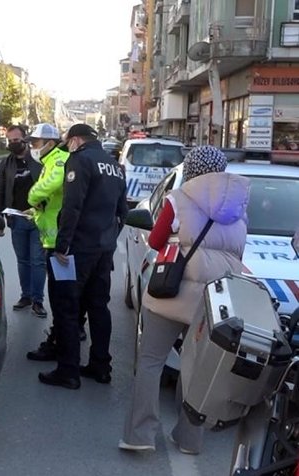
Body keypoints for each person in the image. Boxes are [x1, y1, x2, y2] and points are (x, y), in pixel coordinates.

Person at [121, 146, 249, 455]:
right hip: (214, 301)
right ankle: (189, 439)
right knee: (197, 371)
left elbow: (155, 240)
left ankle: (140, 435)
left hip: (172, 292)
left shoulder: (178, 199)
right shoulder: (239, 208)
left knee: (151, 361)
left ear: (190, 169)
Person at [38, 123, 128, 390]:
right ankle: (101, 367)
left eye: (68, 143)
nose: (68, 148)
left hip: (77, 250)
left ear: (76, 140)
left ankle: (68, 370)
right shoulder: (115, 166)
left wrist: (62, 246)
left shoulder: (80, 160)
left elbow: (72, 206)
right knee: (99, 307)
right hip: (104, 249)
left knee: (66, 307)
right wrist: (109, 239)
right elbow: (122, 211)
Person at [23, 123, 88, 361]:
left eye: (36, 142)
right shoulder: (49, 160)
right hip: (54, 240)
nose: (32, 147)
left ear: (50, 143)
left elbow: (51, 184)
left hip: (60, 244)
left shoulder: (59, 160)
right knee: (61, 297)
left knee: (62, 299)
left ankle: (62, 347)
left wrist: (32, 196)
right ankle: (62, 340)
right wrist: (35, 211)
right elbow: (53, 201)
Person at [0, 124, 47, 317]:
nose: (12, 143)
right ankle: (26, 296)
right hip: (16, 219)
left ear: (25, 139)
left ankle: (38, 301)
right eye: (9, 141)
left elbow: (49, 186)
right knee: (23, 260)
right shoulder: (6, 163)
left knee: (37, 261)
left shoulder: (38, 160)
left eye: (16, 140)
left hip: (38, 219)